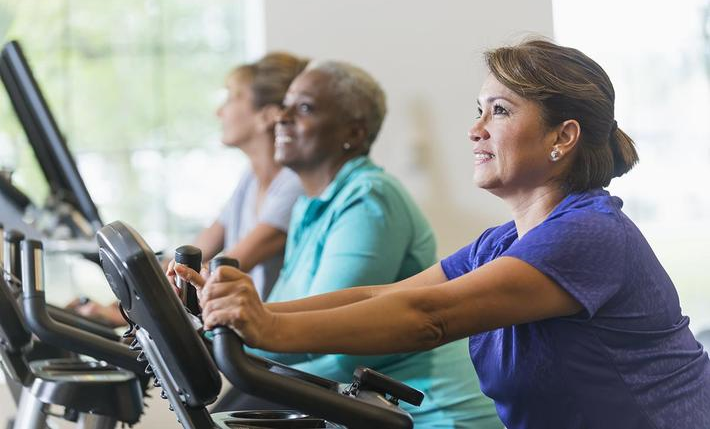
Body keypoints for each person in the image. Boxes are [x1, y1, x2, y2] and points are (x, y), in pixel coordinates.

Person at [194, 40, 710, 429]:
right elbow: (387, 295)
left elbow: (430, 318)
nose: (475, 128)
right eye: (478, 110)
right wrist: (229, 317)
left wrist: (266, 329)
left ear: (563, 136)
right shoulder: (501, 243)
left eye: (500, 111)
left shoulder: (590, 234)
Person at [175, 60, 501, 427]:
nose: (282, 117)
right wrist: (222, 320)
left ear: (354, 132)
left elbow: (332, 342)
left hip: (431, 415)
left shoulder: (370, 200)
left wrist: (234, 330)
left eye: (304, 108)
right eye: (285, 105)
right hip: (367, 410)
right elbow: (287, 312)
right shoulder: (309, 208)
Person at [71, 52, 307, 326]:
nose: (219, 111)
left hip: (260, 341)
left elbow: (221, 271)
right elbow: (195, 252)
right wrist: (120, 304)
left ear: (267, 116)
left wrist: (125, 314)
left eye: (232, 97)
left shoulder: (293, 186)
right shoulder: (251, 179)